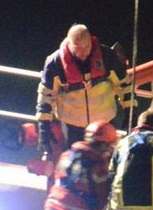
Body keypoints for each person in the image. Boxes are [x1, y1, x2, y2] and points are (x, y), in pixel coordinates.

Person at [36, 23, 133, 157]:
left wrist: (130, 115)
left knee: (110, 166)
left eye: (86, 47)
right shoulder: (55, 64)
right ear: (69, 44)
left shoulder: (107, 56)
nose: (83, 53)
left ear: (91, 41)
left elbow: (124, 86)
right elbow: (45, 99)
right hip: (73, 128)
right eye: (78, 48)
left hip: (105, 125)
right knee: (76, 167)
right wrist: (44, 134)